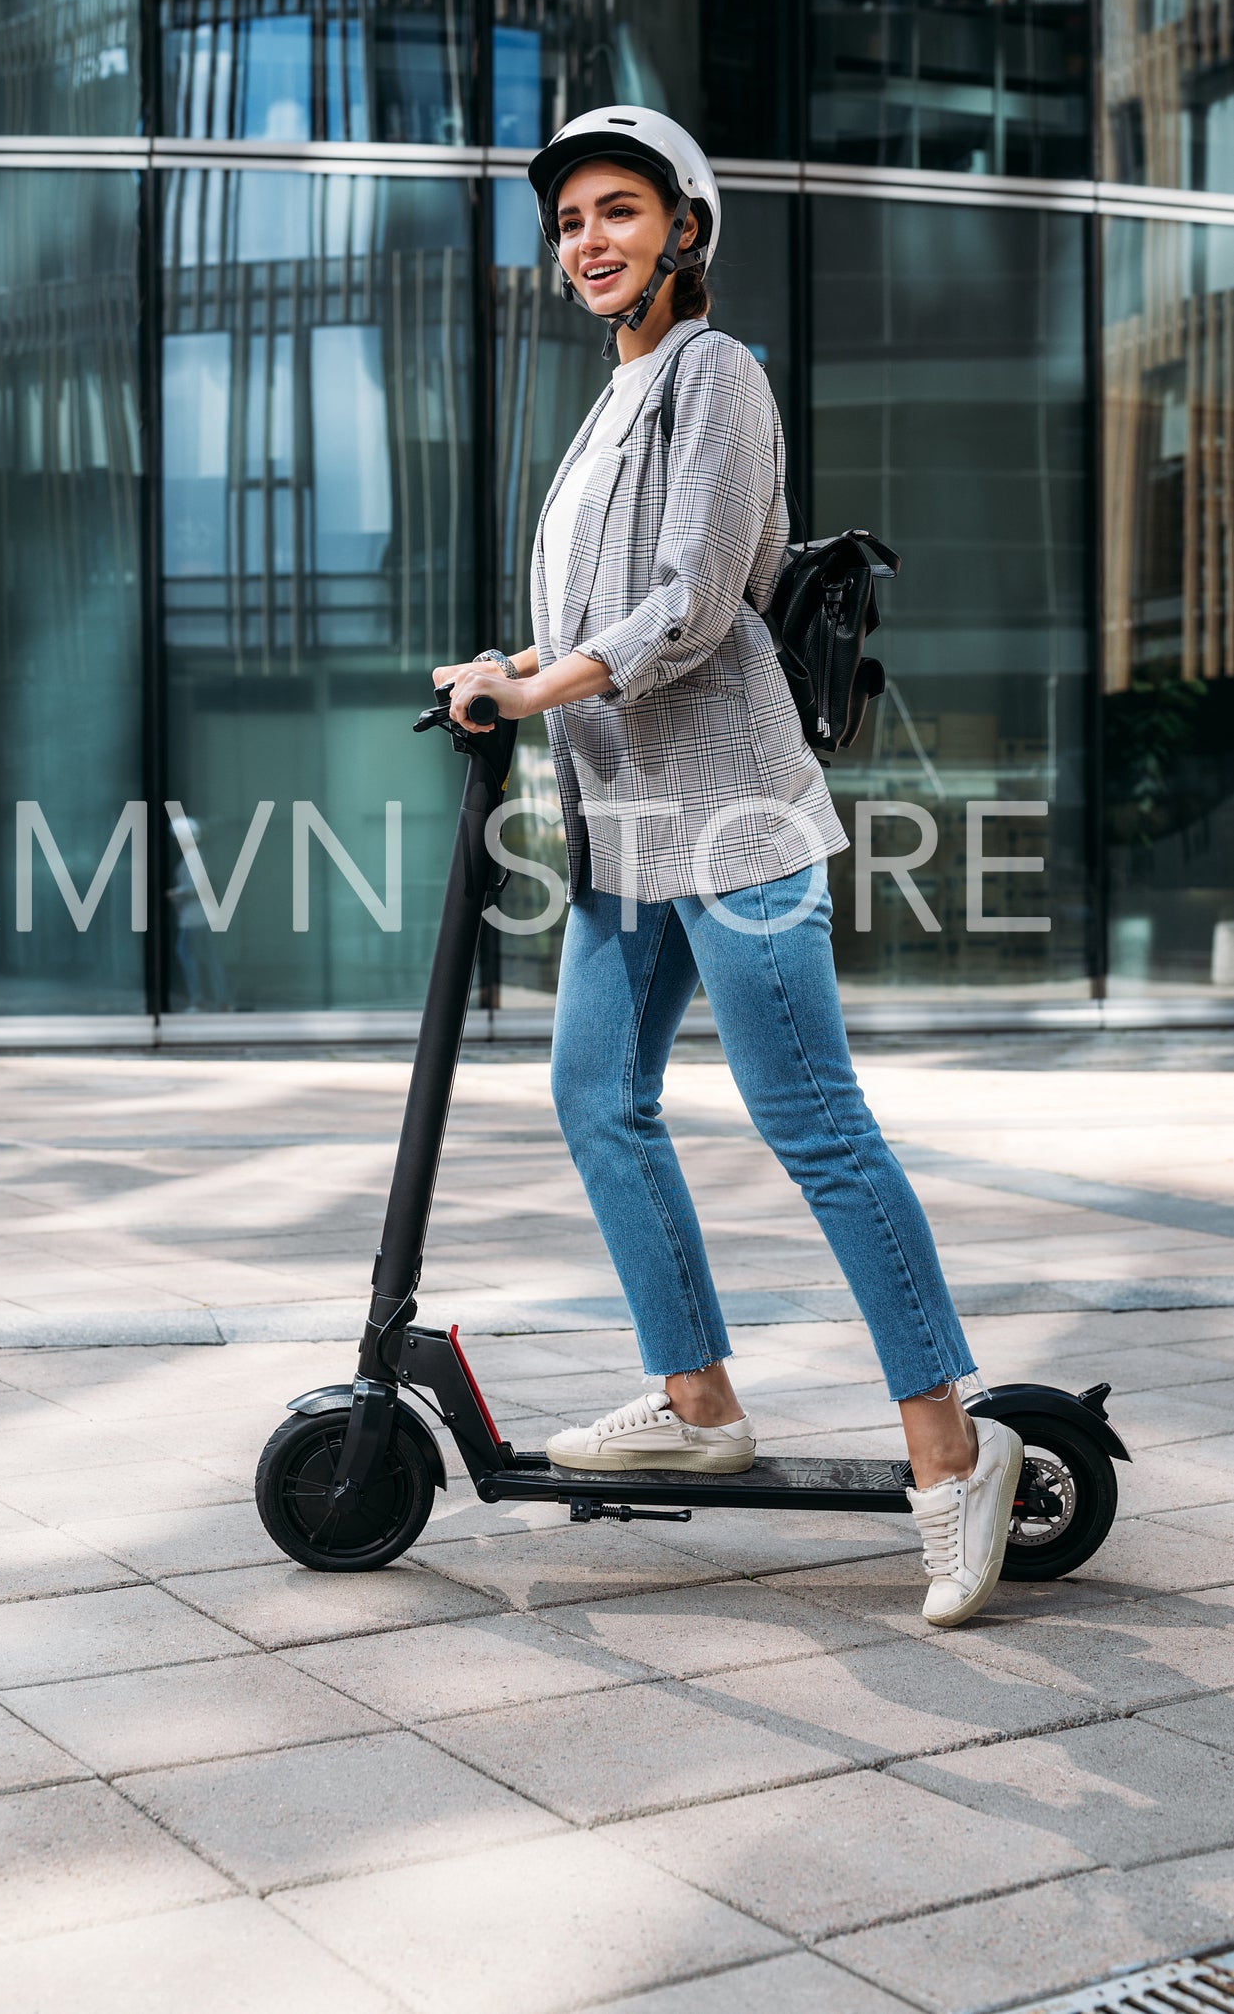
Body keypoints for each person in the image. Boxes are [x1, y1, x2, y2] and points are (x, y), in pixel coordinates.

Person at [432, 106, 1021, 1629]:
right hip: (628, 833)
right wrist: (509, 665)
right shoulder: (608, 407)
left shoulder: (715, 374)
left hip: (736, 819)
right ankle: (696, 1395)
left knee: (810, 1122)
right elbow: (596, 621)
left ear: (681, 229)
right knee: (590, 1092)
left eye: (615, 213)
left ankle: (951, 1450)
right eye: (567, 223)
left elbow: (690, 607)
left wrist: (540, 686)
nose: (585, 244)